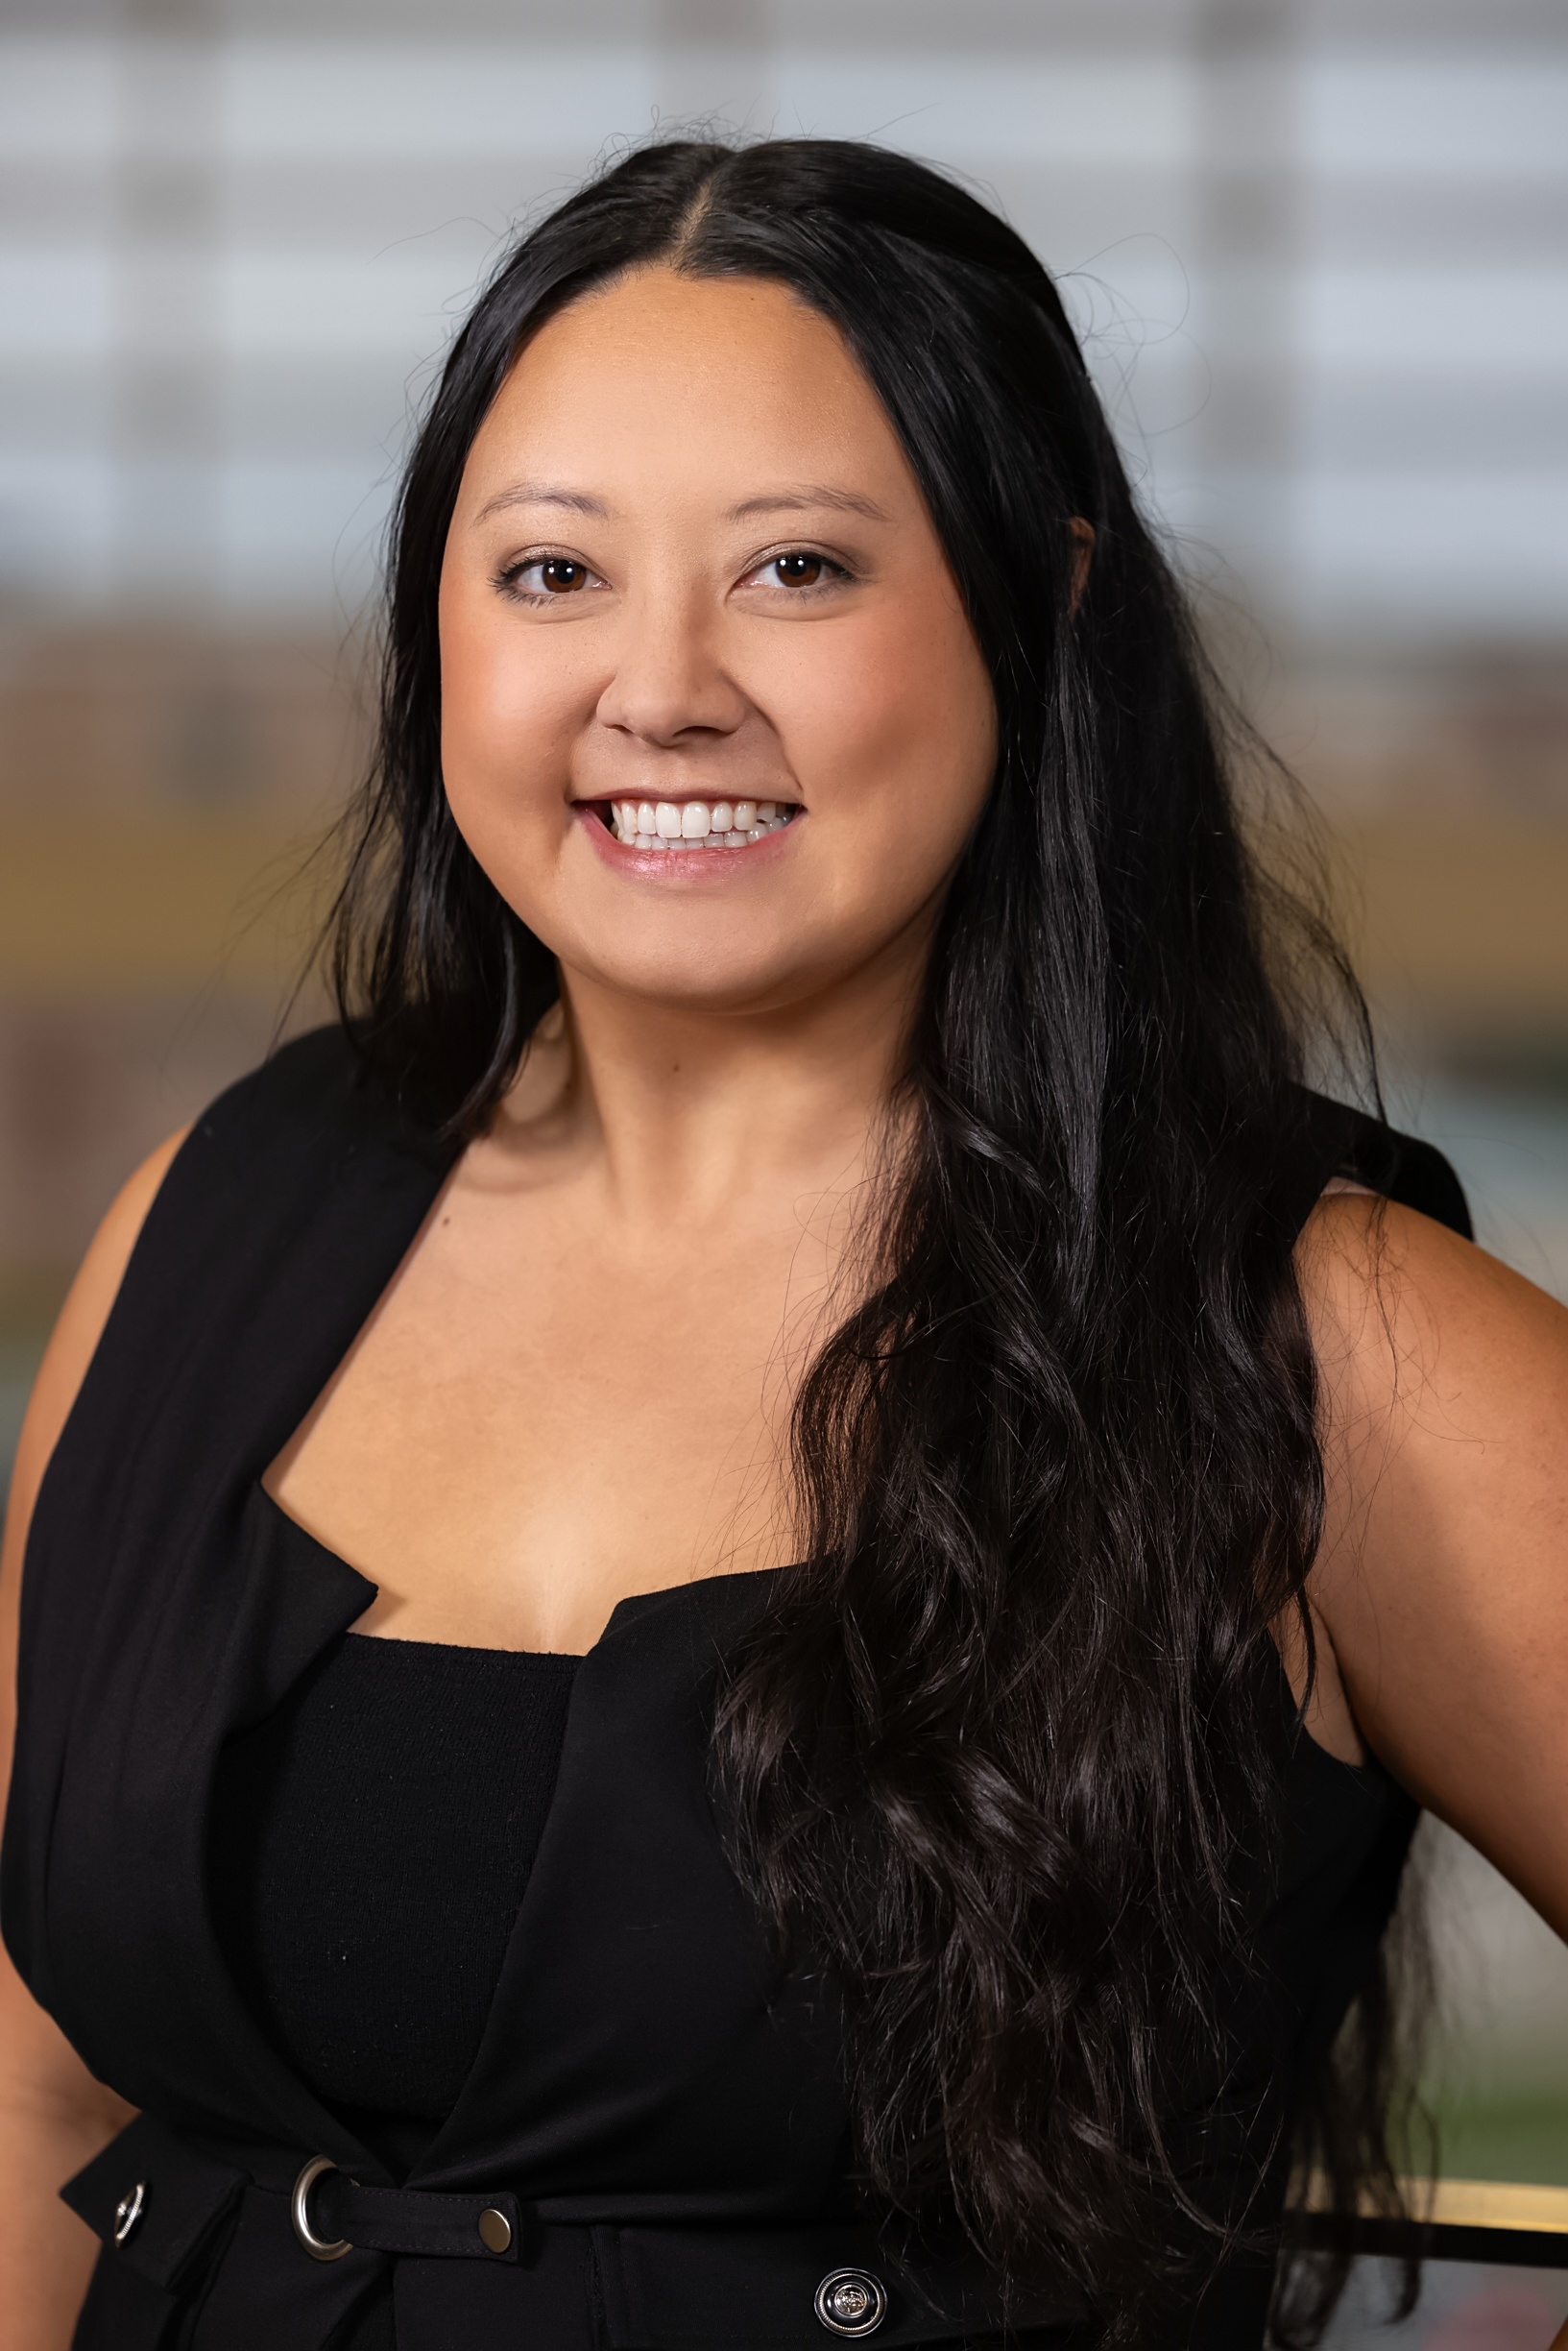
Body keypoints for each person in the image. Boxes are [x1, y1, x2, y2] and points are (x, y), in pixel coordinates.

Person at [1, 136, 1563, 2351]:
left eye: (799, 570)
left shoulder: (1321, 1335)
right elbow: (37, 2075)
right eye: (550, 573)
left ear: (1055, 599)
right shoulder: (217, 1215)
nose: (661, 686)